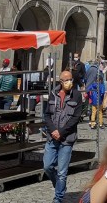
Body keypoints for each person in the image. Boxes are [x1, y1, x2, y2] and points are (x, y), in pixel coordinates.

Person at [43, 69, 83, 203]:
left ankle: (58, 198)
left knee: (62, 172)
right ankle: (59, 186)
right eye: (66, 80)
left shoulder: (76, 95)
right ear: (61, 81)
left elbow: (76, 117)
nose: (69, 82)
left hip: (67, 138)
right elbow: (47, 115)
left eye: (71, 79)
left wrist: (61, 132)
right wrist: (53, 130)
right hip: (51, 137)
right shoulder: (53, 94)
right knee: (47, 167)